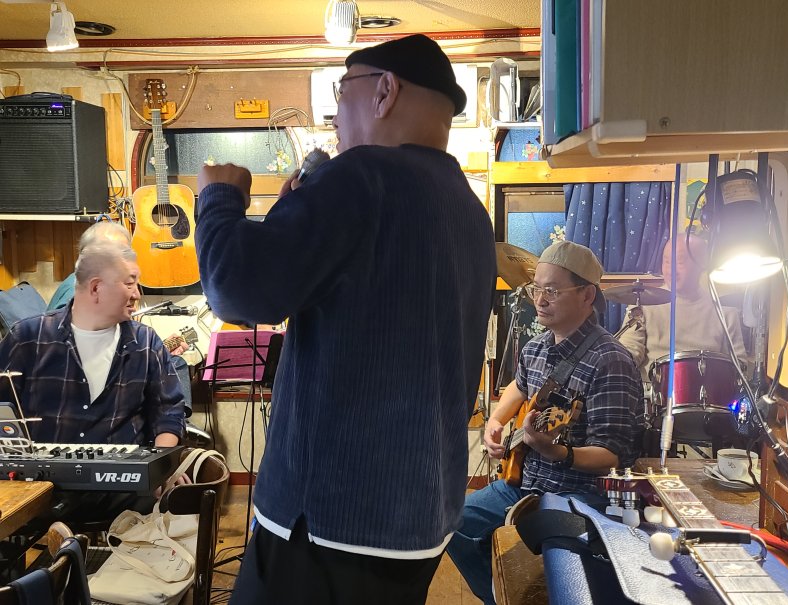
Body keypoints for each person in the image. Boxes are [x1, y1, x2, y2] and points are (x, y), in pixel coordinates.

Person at [195, 34, 496, 604]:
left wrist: (218, 200)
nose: (334, 115)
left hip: (329, 519)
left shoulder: (361, 175)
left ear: (385, 91)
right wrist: (298, 212)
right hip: (418, 518)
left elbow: (236, 290)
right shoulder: (469, 209)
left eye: (342, 92)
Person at [446, 241, 643, 605]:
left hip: (579, 492)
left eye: (552, 291)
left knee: (556, 560)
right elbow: (519, 388)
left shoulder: (611, 361)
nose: (539, 300)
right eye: (536, 289)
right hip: (524, 482)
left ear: (587, 295)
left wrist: (557, 452)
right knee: (453, 524)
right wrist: (496, 421)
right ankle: (504, 597)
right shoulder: (534, 348)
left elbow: (611, 456)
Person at [0, 241, 185, 446]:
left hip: (126, 466)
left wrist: (161, 461)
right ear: (96, 288)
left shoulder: (146, 341)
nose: (137, 294)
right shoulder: (27, 337)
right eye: (129, 284)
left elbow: (169, 413)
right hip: (40, 467)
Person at [47, 220, 196, 421]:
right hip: (81, 411)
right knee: (172, 365)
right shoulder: (76, 293)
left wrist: (154, 352)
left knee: (172, 363)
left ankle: (176, 424)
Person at [617, 234, 750, 382]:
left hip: (707, 393)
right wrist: (619, 362)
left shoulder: (725, 311)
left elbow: (739, 365)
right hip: (652, 392)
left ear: (701, 264)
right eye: (666, 261)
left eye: (679, 262)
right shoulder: (643, 304)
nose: (671, 270)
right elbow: (629, 348)